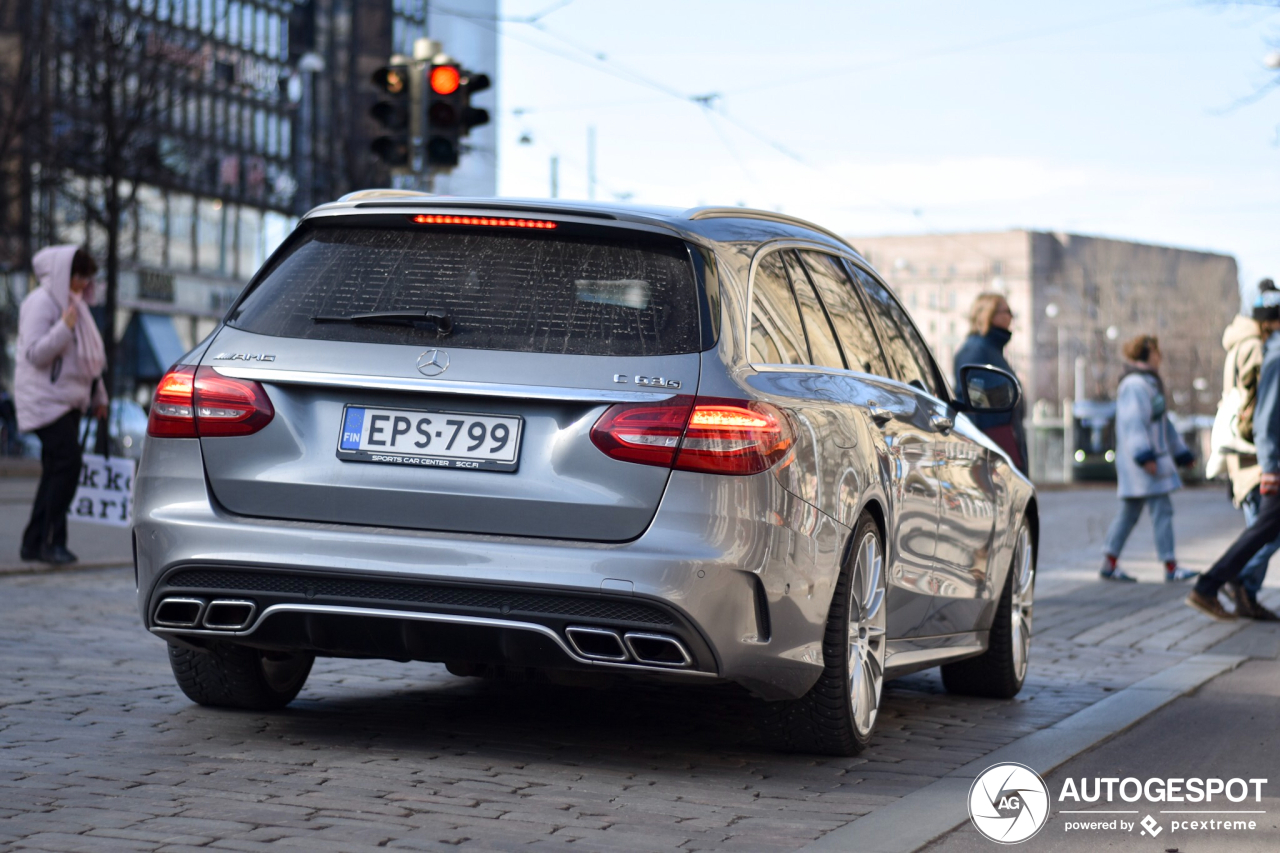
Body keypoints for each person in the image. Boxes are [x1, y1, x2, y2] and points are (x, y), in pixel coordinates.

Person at [15, 245, 108, 564]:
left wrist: (100, 397)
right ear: (63, 272)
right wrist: (64, 328)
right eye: (78, 275)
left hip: (69, 401)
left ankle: (35, 542)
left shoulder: (76, 306)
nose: (83, 282)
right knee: (68, 464)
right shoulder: (40, 303)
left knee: (56, 469)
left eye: (86, 277)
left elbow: (88, 363)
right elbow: (35, 353)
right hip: (44, 400)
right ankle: (51, 541)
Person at [1100, 334, 1197, 582]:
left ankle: (1110, 563)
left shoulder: (1148, 383)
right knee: (1162, 511)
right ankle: (1170, 566)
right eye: (1156, 351)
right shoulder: (1136, 385)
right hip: (1144, 464)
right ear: (1146, 353)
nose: (1160, 356)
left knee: (1129, 513)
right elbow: (1135, 424)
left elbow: (1162, 424)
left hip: (1146, 462)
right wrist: (1145, 456)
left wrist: (1181, 453)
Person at [1212, 284, 1280, 619]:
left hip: (1251, 450)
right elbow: (1263, 406)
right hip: (1255, 451)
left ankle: (1244, 593)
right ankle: (1231, 579)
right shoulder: (1257, 347)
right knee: (1263, 531)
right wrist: (1269, 462)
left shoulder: (1242, 343)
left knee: (1261, 528)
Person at [954, 293, 1028, 474]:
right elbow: (971, 405)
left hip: (1003, 441)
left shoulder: (991, 350)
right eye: (1006, 311)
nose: (1010, 317)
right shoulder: (976, 351)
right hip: (994, 446)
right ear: (989, 314)